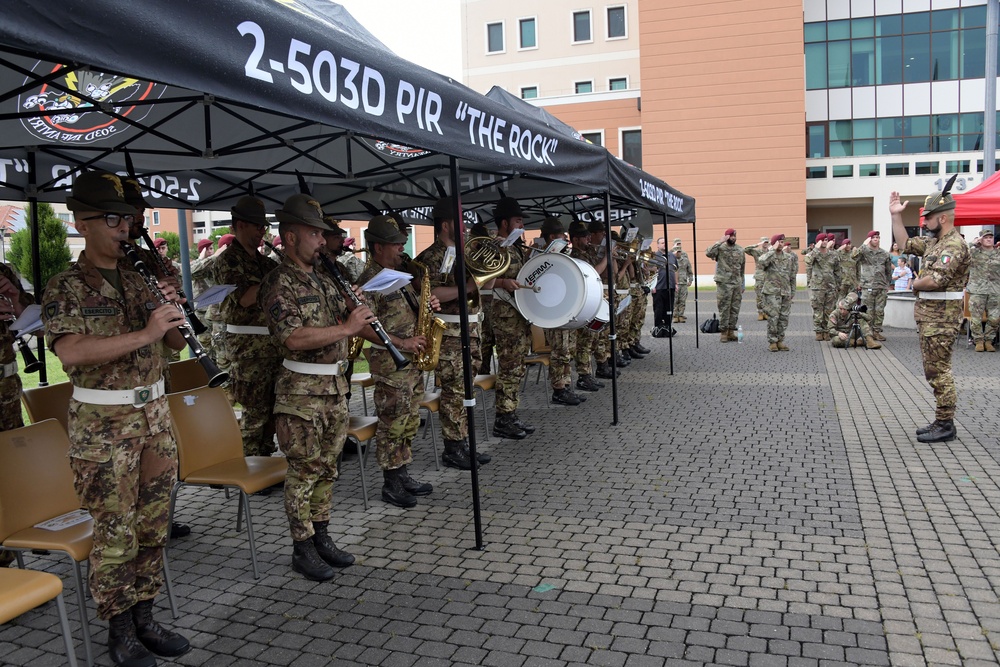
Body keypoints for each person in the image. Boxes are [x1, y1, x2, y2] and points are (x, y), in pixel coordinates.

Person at [42, 170, 190, 665]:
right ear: (82, 223)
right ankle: (119, 628)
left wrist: (172, 313)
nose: (124, 227)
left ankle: (146, 616)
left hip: (154, 417)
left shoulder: (138, 273)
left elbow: (173, 342)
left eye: (126, 218)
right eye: (111, 218)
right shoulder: (66, 285)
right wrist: (145, 333)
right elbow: (73, 352)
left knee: (153, 523)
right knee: (115, 531)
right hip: (104, 428)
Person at [259, 194, 370, 582]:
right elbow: (291, 336)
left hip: (333, 389)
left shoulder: (324, 277)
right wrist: (347, 327)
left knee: (328, 469)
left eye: (324, 235)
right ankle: (302, 546)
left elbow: (347, 322)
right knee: (303, 471)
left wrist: (358, 311)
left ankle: (322, 535)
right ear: (290, 237)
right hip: (300, 394)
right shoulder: (277, 281)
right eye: (314, 234)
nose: (323, 241)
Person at [356, 215, 438, 507]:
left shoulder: (399, 274)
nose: (401, 249)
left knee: (408, 417)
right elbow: (364, 325)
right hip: (391, 362)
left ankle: (402, 472)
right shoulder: (370, 281)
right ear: (377, 247)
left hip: (410, 360)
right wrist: (401, 343)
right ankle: (391, 482)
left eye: (402, 243)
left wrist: (428, 305)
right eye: (395, 245)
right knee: (392, 420)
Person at [889, 186, 971, 443]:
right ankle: (941, 419)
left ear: (943, 218)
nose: (924, 222)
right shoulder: (936, 242)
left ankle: (946, 424)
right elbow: (904, 244)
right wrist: (895, 216)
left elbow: (935, 281)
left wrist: (914, 283)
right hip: (930, 317)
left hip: (942, 318)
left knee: (939, 370)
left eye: (928, 217)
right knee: (932, 369)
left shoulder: (954, 245)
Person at [414, 196, 491, 468]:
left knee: (466, 392)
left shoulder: (465, 253)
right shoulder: (429, 257)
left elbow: (479, 282)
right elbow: (430, 293)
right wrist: (468, 287)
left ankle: (463, 442)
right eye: (461, 222)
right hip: (449, 336)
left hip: (470, 330)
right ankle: (453, 447)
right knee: (453, 392)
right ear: (446, 225)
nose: (466, 227)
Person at [214, 196, 282, 457]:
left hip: (272, 346)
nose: (261, 232)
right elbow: (243, 298)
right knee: (254, 411)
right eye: (257, 227)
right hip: (248, 351)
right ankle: (250, 463)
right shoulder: (228, 260)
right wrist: (278, 280)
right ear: (240, 225)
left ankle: (265, 460)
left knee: (273, 408)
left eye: (263, 228)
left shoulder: (266, 262)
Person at [489, 197, 536, 439]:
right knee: (508, 368)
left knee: (517, 368)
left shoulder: (515, 246)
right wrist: (502, 282)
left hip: (519, 315)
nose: (522, 226)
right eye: (518, 221)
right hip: (505, 316)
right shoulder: (492, 247)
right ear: (505, 222)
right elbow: (481, 280)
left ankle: (511, 414)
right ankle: (503, 419)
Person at [535, 217, 588, 405]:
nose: (566, 239)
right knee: (560, 351)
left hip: (566, 308)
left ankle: (566, 385)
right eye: (561, 236)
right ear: (552, 237)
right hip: (554, 310)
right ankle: (558, 389)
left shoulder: (562, 254)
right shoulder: (540, 256)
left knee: (568, 349)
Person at [568, 220, 604, 393]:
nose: (588, 238)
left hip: (591, 301)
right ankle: (583, 376)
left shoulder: (587, 251)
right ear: (575, 239)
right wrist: (607, 259)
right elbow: (594, 273)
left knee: (590, 340)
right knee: (583, 341)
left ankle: (588, 374)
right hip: (582, 303)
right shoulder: (575, 255)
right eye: (584, 236)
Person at [705, 228, 745, 342]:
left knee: (735, 308)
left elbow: (742, 268)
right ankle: (723, 332)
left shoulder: (740, 250)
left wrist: (742, 283)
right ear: (726, 236)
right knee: (724, 308)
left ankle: (731, 331)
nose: (733, 237)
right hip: (724, 283)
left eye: (734, 236)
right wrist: (720, 241)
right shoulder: (720, 248)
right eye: (731, 236)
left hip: (736, 283)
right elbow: (708, 253)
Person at [853, 230, 893, 341]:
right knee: (867, 311)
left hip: (881, 286)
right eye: (873, 237)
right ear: (869, 239)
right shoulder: (864, 252)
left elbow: (888, 270)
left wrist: (888, 284)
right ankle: (867, 333)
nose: (876, 239)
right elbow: (853, 256)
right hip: (867, 286)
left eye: (877, 237)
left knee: (879, 311)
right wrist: (864, 244)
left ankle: (876, 332)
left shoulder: (884, 254)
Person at [758, 233, 795, 351]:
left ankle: (780, 340)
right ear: (774, 243)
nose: (781, 244)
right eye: (778, 242)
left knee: (784, 317)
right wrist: (771, 250)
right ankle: (772, 341)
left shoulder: (789, 257)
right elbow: (761, 262)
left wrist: (792, 290)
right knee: (773, 317)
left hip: (785, 291)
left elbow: (792, 275)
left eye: (782, 242)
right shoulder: (768, 256)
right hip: (772, 292)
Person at [968, 228, 1000, 352]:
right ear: (981, 239)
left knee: (995, 318)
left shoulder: (998, 253)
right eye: (985, 237)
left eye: (990, 237)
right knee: (975, 318)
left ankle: (989, 340)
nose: (988, 239)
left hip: (995, 290)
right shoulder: (974, 253)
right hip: (977, 290)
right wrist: (972, 243)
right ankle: (978, 341)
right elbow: (960, 252)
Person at [651, 237, 677, 336]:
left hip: (670, 286)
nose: (664, 244)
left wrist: (676, 283)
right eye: (662, 243)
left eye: (665, 242)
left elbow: (675, 270)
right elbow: (649, 271)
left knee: (669, 308)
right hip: (658, 287)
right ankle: (658, 327)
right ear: (657, 245)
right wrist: (652, 286)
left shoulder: (672, 256)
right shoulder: (653, 256)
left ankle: (667, 327)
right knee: (658, 308)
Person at [745, 236, 770, 321]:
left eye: (766, 242)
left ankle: (766, 312)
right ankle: (760, 312)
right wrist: (757, 245)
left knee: (768, 296)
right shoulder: (757, 252)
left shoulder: (771, 252)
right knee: (759, 295)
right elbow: (746, 249)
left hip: (769, 277)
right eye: (763, 242)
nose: (765, 244)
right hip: (759, 276)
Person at [672, 239, 693, 323]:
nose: (678, 252)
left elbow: (690, 271)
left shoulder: (685, 259)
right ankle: (675, 316)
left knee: (682, 300)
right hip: (674, 283)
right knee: (674, 300)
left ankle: (680, 315)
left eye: (680, 251)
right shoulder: (671, 259)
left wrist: (690, 280)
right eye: (677, 251)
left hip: (683, 282)